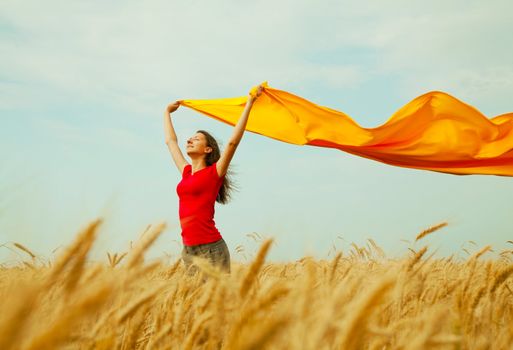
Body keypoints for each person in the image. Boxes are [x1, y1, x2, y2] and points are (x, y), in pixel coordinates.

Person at [163, 84, 264, 275]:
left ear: (208, 149)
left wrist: (249, 103)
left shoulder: (214, 173)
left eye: (196, 139)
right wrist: (167, 112)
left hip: (210, 249)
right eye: (190, 138)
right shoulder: (186, 172)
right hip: (189, 250)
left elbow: (233, 142)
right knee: (196, 304)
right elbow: (171, 142)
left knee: (219, 303)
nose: (189, 140)